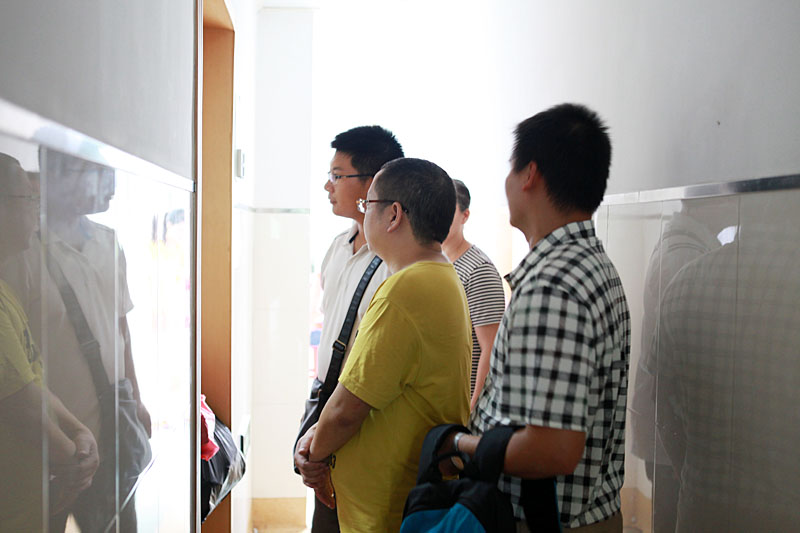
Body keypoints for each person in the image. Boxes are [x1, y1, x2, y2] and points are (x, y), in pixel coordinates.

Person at [444, 104, 631, 532]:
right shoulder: (589, 263)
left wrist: (456, 443)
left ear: (529, 174)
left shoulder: (552, 285)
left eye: (511, 169)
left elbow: (551, 451)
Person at [295, 157, 472, 532]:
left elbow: (348, 408)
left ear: (393, 215)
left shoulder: (405, 290)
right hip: (404, 496)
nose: (364, 213)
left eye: (368, 204)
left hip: (388, 509)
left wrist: (314, 458)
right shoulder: (442, 274)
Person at [0, 149, 149, 532]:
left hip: (110, 432)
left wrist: (136, 398)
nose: (110, 182)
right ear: (59, 177)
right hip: (51, 444)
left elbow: (121, 329)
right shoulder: (23, 251)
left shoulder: (109, 242)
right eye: (95, 171)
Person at [306, 125, 403, 532]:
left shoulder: (394, 264)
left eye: (337, 175)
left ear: (372, 184)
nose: (327, 186)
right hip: (326, 400)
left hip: (360, 414)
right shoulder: (337, 247)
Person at [0, 153, 99, 530]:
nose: (35, 209)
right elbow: (21, 406)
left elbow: (33, 381)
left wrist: (80, 432)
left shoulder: (5, 293)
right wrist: (76, 460)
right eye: (28, 199)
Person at [441, 179, 505, 408]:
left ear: (465, 216)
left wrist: (473, 409)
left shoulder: (478, 270)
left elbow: (491, 348)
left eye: (447, 211)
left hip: (463, 407)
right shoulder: (435, 263)